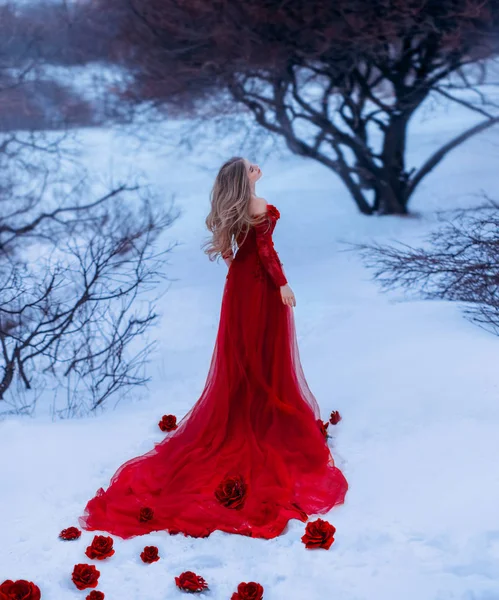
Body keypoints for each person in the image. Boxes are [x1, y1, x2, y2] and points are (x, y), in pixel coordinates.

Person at [78, 156, 348, 540]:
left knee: (245, 349)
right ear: (244, 177)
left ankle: (249, 406)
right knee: (260, 349)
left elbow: (232, 251)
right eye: (251, 166)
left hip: (240, 281)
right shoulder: (255, 204)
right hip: (258, 282)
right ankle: (258, 412)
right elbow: (267, 252)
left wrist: (241, 269)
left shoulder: (236, 206)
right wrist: (283, 284)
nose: (257, 167)